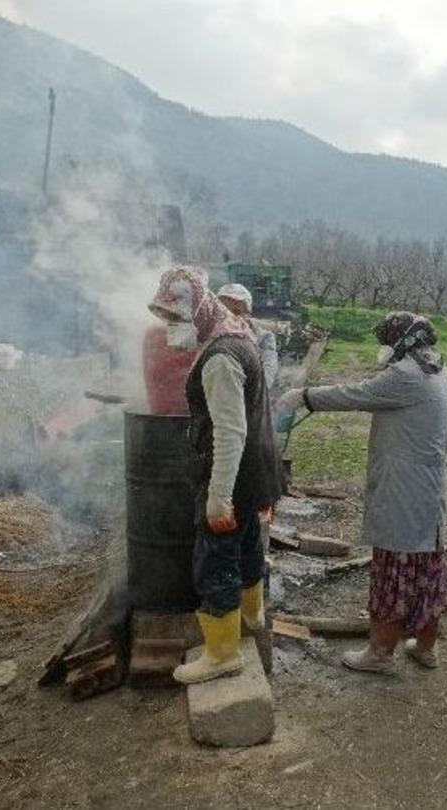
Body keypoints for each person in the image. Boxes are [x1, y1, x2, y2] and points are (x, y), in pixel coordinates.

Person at [277, 312, 447, 674]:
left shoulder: (405, 375)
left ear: (402, 342)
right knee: (426, 572)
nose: (384, 349)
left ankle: (380, 653)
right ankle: (425, 648)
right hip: (427, 490)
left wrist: (303, 396)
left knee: (394, 571)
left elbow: (356, 394)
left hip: (403, 491)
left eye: (387, 342)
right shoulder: (438, 369)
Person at [147, 266, 283, 685]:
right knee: (245, 550)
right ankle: (251, 616)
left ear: (199, 308)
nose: (171, 329)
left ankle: (223, 654)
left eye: (175, 318)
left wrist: (218, 496)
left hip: (233, 473)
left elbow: (230, 430)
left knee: (215, 561)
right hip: (258, 470)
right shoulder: (238, 337)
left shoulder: (219, 359)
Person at [217, 283, 280, 403]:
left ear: (248, 313)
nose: (229, 317)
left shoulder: (263, 337)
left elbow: (268, 367)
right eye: (224, 313)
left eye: (236, 312)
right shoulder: (210, 336)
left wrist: (256, 391)